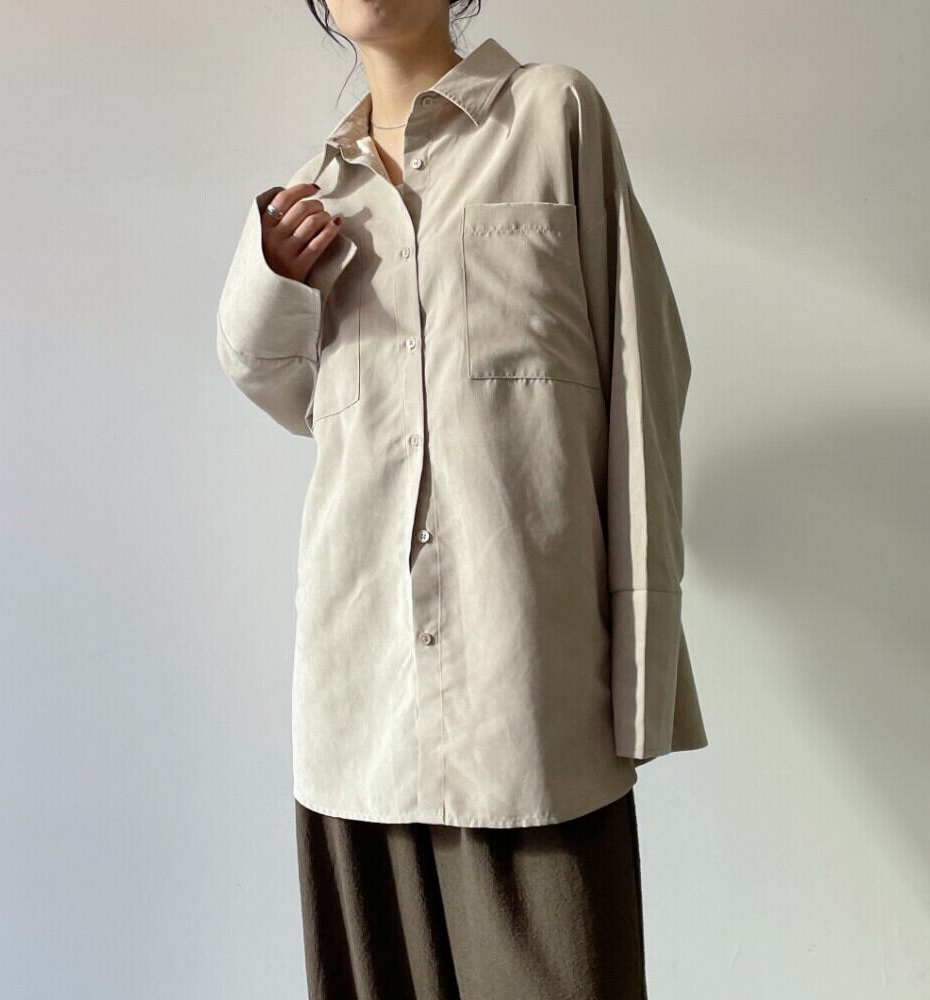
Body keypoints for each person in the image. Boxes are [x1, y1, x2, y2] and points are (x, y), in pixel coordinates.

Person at [216, 3, 709, 997]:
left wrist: (640, 669)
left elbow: (643, 380)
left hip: (531, 716)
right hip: (359, 719)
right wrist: (272, 275)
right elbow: (273, 384)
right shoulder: (313, 199)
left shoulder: (553, 115)